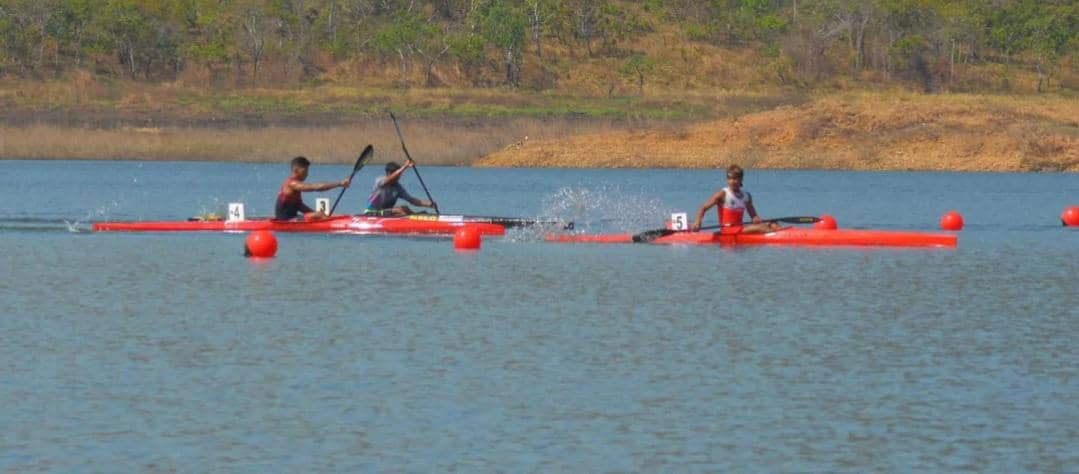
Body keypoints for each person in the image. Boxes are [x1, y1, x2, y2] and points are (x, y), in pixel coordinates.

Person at [690, 164, 781, 234]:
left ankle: (783, 236)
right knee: (763, 228)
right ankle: (777, 238)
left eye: (735, 179)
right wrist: (698, 222)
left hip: (740, 229)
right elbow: (703, 208)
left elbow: (754, 217)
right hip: (728, 230)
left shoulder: (746, 196)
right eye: (730, 178)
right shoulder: (722, 194)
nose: (732, 181)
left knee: (773, 225)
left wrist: (761, 221)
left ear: (741, 179)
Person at [275, 156, 350, 220]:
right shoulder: (293, 184)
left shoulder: (295, 185)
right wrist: (339, 184)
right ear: (296, 170)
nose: (307, 174)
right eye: (305, 171)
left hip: (291, 218)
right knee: (319, 214)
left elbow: (299, 206)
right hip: (285, 220)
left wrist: (315, 214)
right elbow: (316, 187)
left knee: (319, 214)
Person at [364, 159, 436, 216]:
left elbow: (412, 200)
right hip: (371, 212)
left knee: (405, 208)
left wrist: (429, 204)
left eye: (399, 176)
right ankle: (415, 218)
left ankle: (417, 218)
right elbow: (389, 179)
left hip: (385, 213)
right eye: (397, 175)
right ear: (389, 174)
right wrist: (405, 166)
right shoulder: (380, 181)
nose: (399, 178)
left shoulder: (398, 187)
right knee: (402, 209)